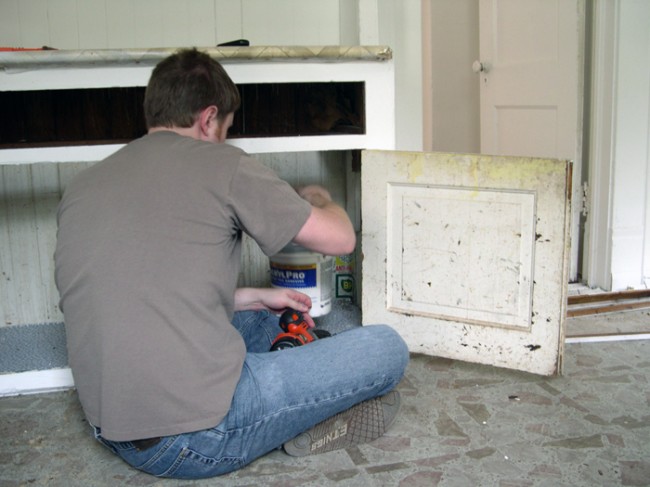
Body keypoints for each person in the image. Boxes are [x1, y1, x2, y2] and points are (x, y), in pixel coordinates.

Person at [54, 48, 409, 480]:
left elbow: (147, 291)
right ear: (208, 119)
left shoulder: (85, 184)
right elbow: (341, 238)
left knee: (273, 318)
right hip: (194, 439)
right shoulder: (222, 164)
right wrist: (318, 198)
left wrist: (254, 296)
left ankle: (301, 372)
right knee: (386, 347)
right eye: (225, 128)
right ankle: (302, 414)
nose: (224, 138)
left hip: (111, 423)